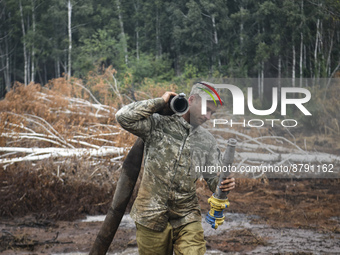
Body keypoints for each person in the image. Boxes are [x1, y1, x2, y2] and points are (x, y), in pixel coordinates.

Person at [115, 82, 235, 255]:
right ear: (192, 100)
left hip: (187, 217)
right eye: (206, 110)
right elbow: (123, 116)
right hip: (150, 216)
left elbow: (214, 179)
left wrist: (225, 182)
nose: (208, 117)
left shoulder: (207, 141)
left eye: (212, 113)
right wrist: (159, 102)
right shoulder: (158, 124)